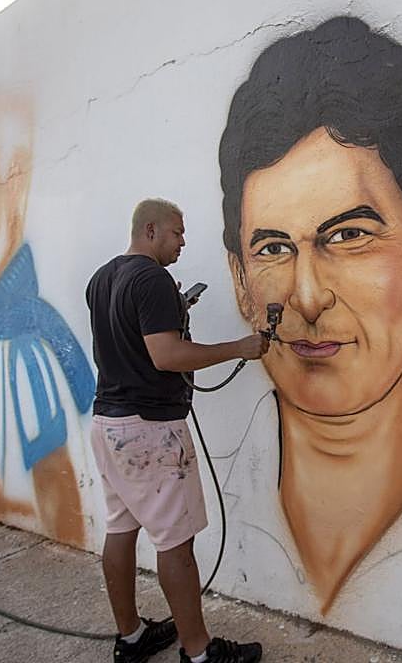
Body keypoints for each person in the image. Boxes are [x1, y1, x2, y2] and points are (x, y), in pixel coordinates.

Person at [215, 16, 402, 633]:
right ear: (240, 283)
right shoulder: (214, 490)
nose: (308, 298)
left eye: (349, 236)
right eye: (273, 249)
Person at [86, 197, 267, 663]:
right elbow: (166, 356)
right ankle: (199, 652)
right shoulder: (152, 279)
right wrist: (239, 347)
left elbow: (127, 342)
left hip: (109, 424)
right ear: (150, 230)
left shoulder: (103, 278)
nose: (183, 242)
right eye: (176, 232)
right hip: (150, 432)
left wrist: (174, 312)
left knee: (120, 529)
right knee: (175, 543)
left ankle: (130, 638)